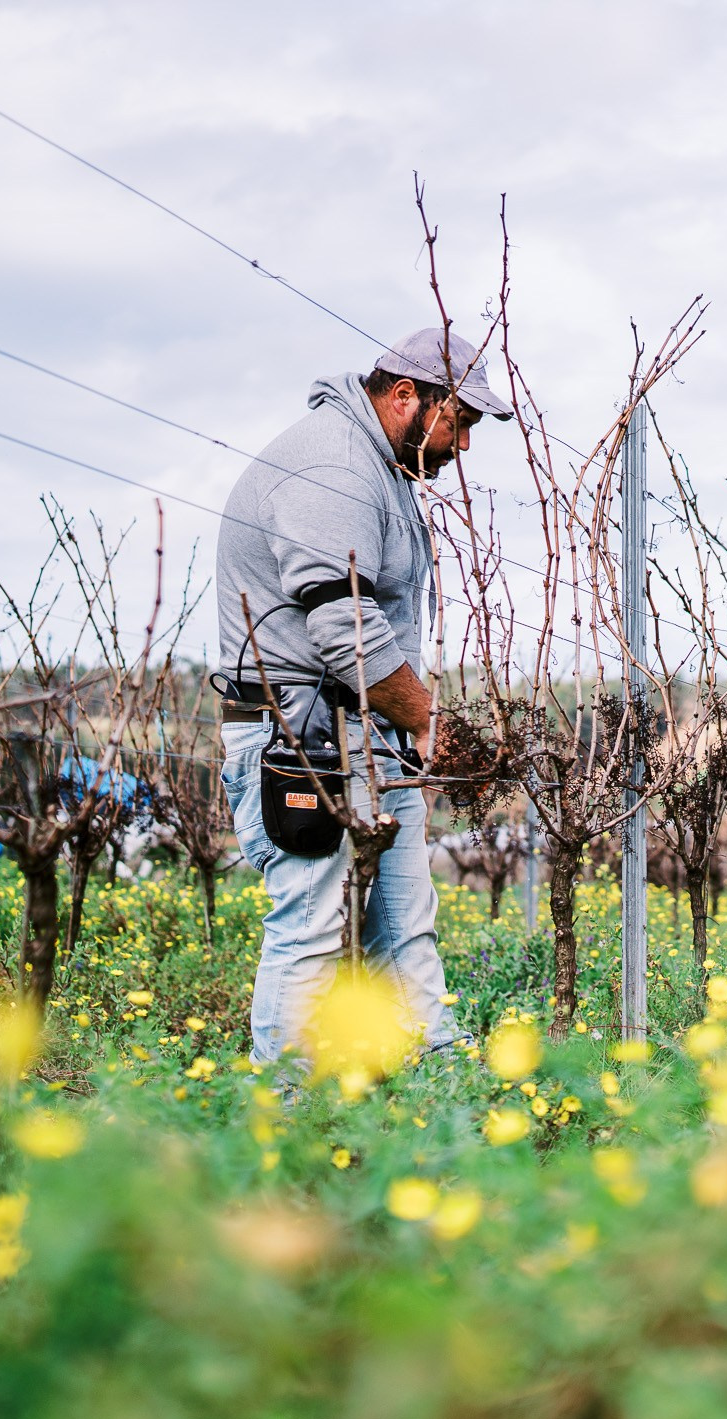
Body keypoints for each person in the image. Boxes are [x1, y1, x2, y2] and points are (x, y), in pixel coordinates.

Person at [213, 327, 512, 1062]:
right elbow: (343, 625)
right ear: (405, 395)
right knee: (310, 936)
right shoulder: (333, 463)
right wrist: (429, 722)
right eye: (460, 423)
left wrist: (406, 723)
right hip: (299, 740)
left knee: (405, 930)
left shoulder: (378, 468)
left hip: (364, 732)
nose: (462, 447)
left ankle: (443, 1104)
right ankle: (282, 1129)